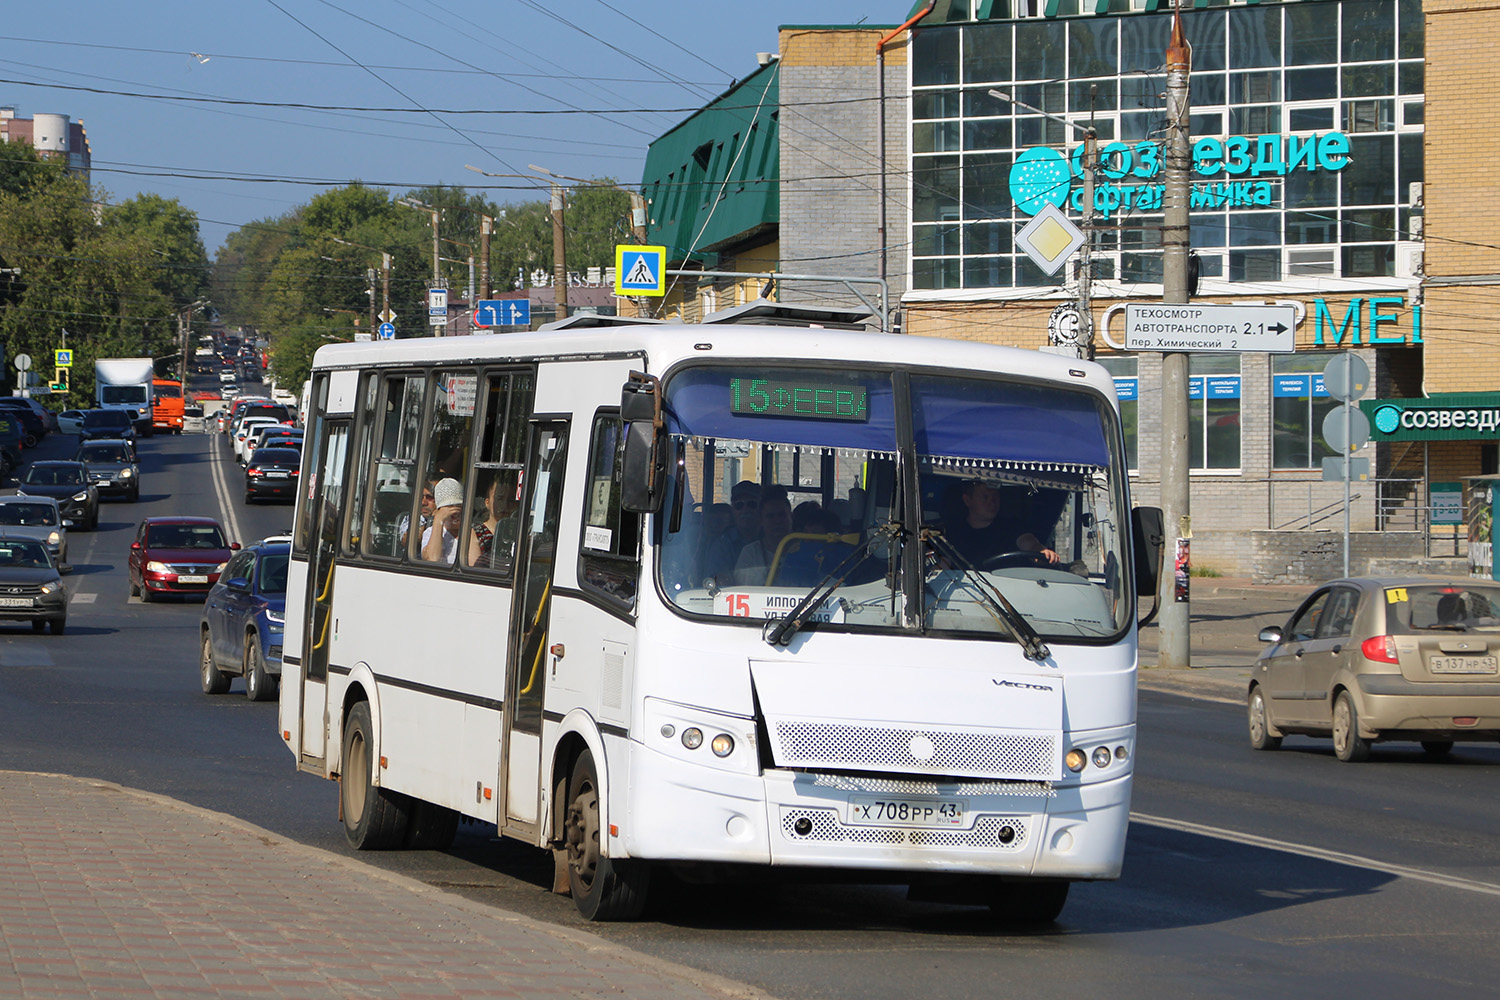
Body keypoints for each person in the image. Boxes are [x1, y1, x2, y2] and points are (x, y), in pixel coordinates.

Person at [942, 480, 1059, 568]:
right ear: (967, 500)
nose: (992, 502)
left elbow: (1029, 543)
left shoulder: (1012, 526)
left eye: (995, 496)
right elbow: (942, 567)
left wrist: (1040, 552)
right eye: (985, 497)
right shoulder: (950, 533)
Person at [701, 480, 761, 584]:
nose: (745, 509)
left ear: (761, 508)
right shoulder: (722, 544)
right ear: (732, 510)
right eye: (739, 505)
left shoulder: (771, 538)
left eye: (751, 504)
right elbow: (718, 584)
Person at [734, 484, 793, 585]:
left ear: (791, 517)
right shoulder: (750, 553)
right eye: (770, 516)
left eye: (782, 515)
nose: (777, 521)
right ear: (761, 520)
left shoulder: (803, 550)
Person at [467, 473, 517, 570]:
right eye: (499, 498)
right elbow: (475, 572)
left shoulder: (517, 534)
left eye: (510, 500)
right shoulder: (475, 534)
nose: (505, 505)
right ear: (487, 502)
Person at [420, 477, 465, 564]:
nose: (453, 515)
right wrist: (438, 520)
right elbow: (432, 559)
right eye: (448, 509)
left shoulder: (471, 533)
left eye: (457, 508)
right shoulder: (429, 533)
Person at [398, 479, 438, 549]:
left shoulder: (451, 520)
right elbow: (408, 543)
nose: (423, 502)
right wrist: (431, 522)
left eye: (430, 497)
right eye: (421, 497)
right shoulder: (413, 517)